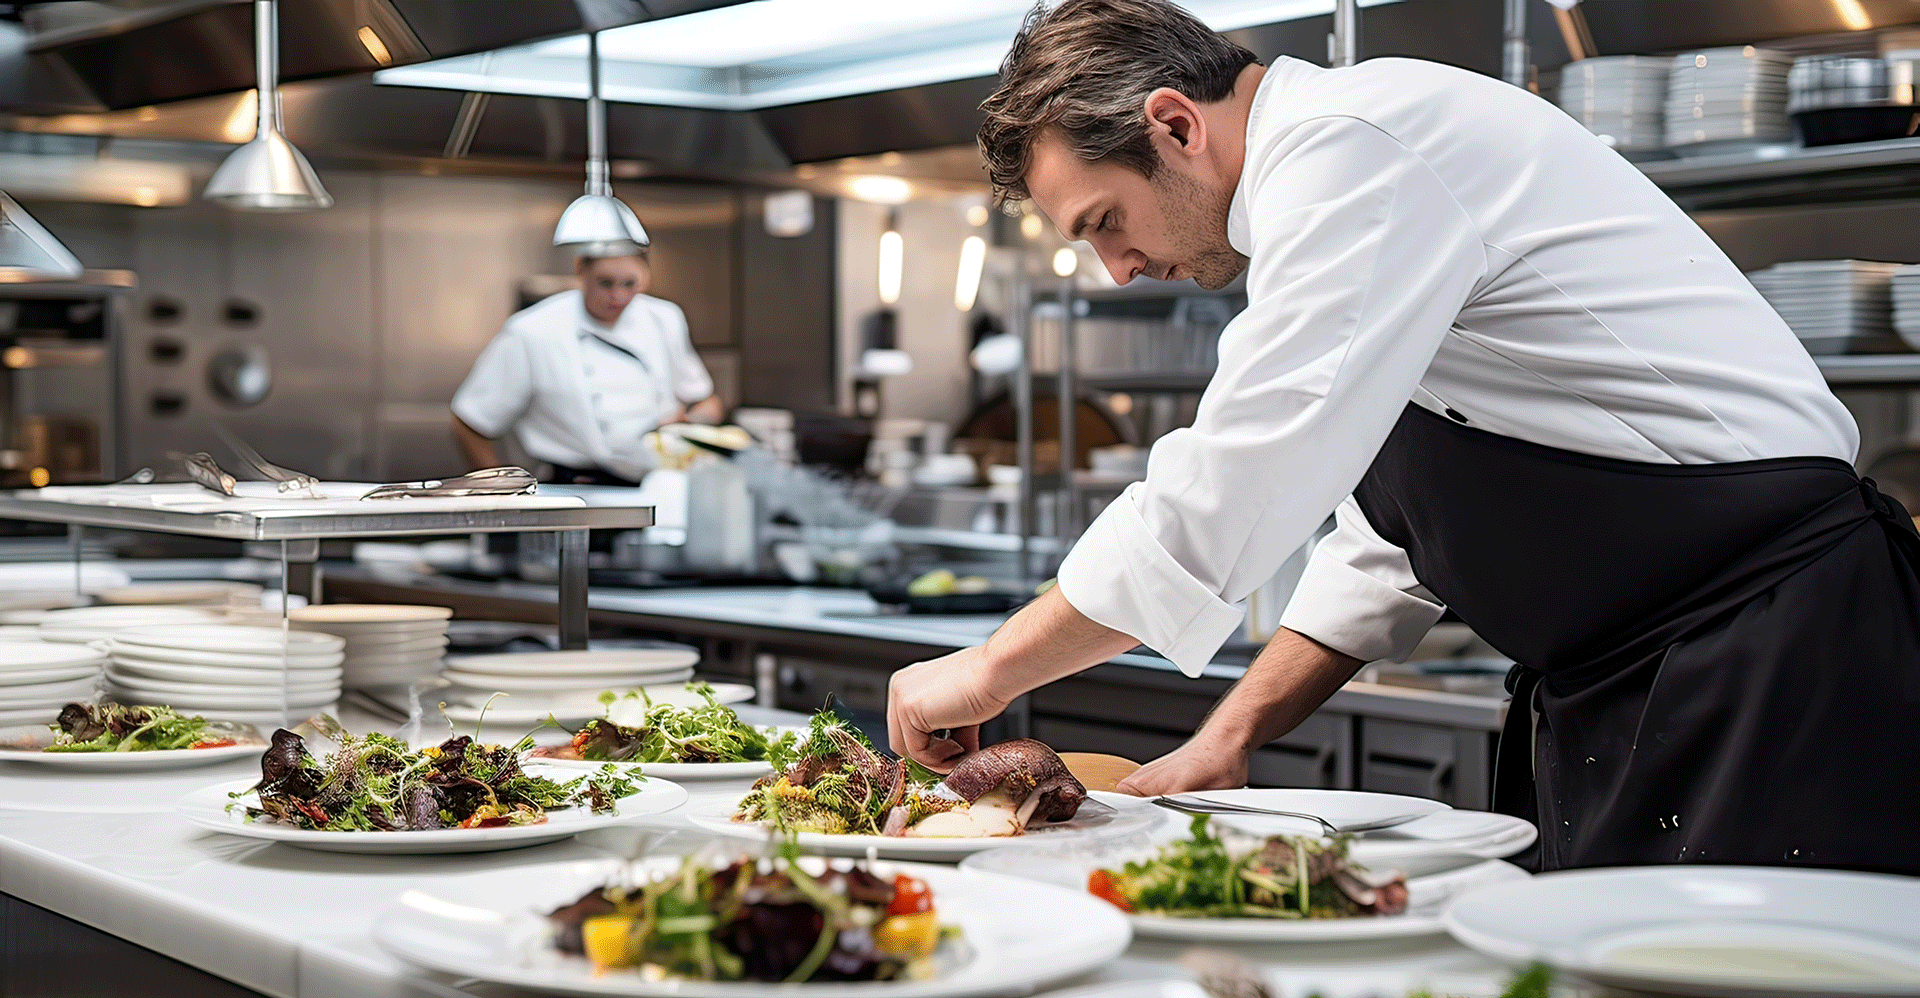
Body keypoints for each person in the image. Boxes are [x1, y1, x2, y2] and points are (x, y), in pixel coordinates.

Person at [886, 0, 1920, 875]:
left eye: (1104, 221)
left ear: (1173, 126)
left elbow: (1233, 485)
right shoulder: (1341, 182)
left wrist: (989, 666)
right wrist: (1234, 730)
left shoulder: (1355, 146)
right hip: (1651, 677)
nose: (1118, 266)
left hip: (1774, 652)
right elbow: (1388, 545)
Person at [451, 250, 724, 485]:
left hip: (656, 487)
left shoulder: (664, 318)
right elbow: (469, 422)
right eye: (605, 283)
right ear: (581, 269)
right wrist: (501, 497)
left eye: (630, 284)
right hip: (570, 492)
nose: (618, 297)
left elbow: (709, 404)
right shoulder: (533, 331)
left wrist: (688, 423)